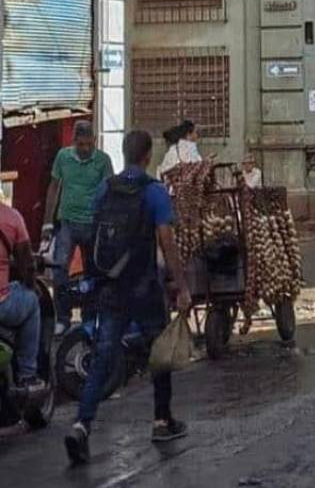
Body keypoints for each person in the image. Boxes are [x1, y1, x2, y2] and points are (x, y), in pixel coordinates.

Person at [66, 129, 192, 465]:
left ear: (123, 154)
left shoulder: (105, 189)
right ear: (147, 155)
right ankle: (162, 421)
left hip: (109, 286)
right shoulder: (154, 192)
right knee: (159, 353)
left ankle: (81, 423)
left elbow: (93, 233)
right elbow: (166, 241)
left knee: (104, 356)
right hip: (144, 287)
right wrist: (180, 285)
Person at [42, 121, 113, 334]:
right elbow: (54, 188)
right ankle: (62, 318)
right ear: (74, 142)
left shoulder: (103, 160)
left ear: (94, 142)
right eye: (81, 144)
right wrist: (47, 222)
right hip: (67, 223)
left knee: (93, 273)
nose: (85, 149)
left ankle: (89, 318)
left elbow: (109, 193)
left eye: (88, 145)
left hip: (93, 225)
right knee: (60, 270)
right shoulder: (63, 157)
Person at [0, 200, 44, 396]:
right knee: (32, 300)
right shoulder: (11, 217)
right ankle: (27, 374)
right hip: (3, 306)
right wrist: (32, 284)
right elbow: (27, 265)